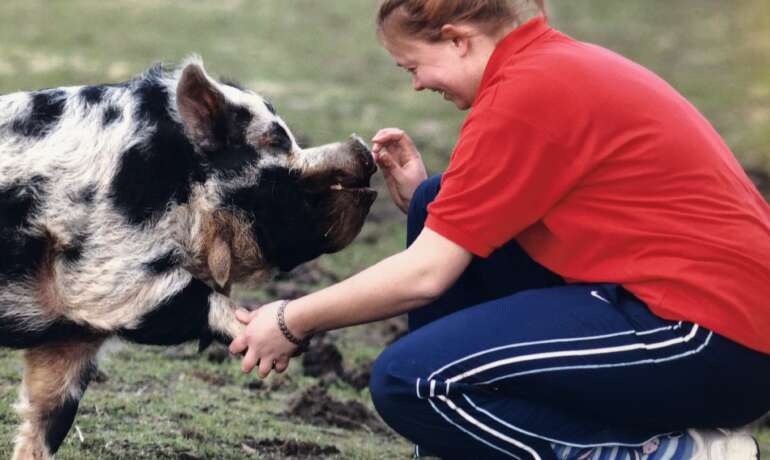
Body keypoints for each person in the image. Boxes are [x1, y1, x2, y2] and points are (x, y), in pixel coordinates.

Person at [229, 1, 770, 458]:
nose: (417, 85)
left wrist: (293, 318)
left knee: (414, 382)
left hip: (710, 339)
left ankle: (668, 452)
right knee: (434, 202)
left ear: (457, 40)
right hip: (684, 316)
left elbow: (426, 276)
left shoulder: (527, 93)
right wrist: (426, 200)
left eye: (412, 66)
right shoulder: (544, 67)